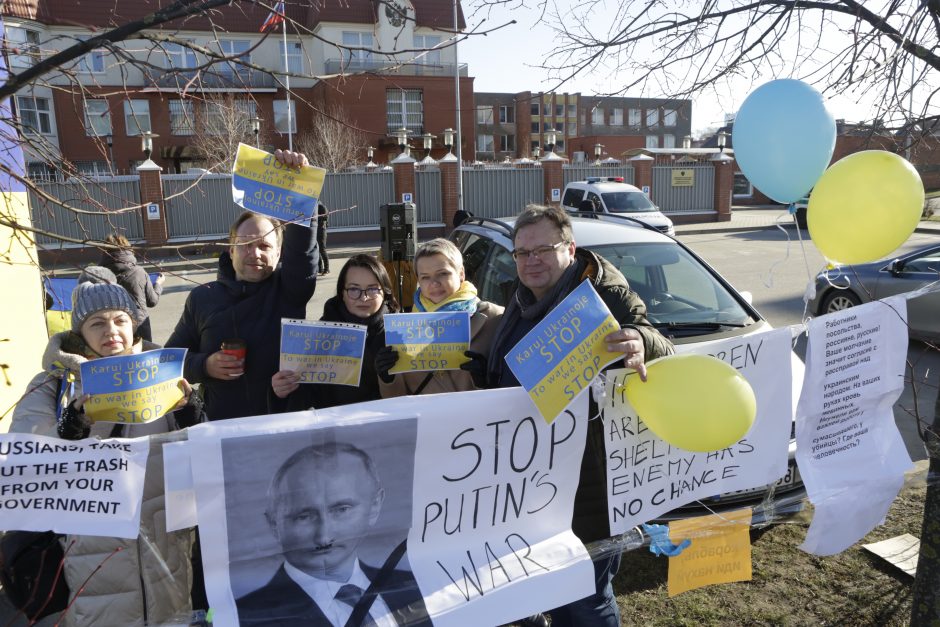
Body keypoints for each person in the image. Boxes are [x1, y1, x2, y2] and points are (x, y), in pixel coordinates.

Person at [485, 205, 674, 627]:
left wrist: (641, 342)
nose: (530, 260)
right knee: (539, 592)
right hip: (529, 480)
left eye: (542, 249)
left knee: (585, 599)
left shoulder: (605, 295)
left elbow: (661, 342)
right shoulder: (516, 299)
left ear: (570, 248)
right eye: (521, 252)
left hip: (588, 482)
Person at [10, 267, 202, 627]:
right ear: (78, 331)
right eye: (97, 323)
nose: (111, 331)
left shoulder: (161, 372)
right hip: (92, 550)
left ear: (133, 324)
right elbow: (31, 465)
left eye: (119, 320)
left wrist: (192, 415)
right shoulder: (53, 384)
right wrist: (74, 427)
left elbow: (198, 456)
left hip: (165, 544)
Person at [166, 150, 318, 421]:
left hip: (283, 421)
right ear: (231, 250)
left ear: (279, 253)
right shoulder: (203, 298)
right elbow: (169, 362)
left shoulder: (290, 291)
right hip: (222, 426)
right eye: (245, 245)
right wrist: (206, 365)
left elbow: (303, 253)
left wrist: (301, 183)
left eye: (264, 246)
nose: (255, 253)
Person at [236, 442, 430, 627]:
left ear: (374, 507)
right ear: (274, 524)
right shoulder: (241, 618)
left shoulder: (420, 587)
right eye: (304, 516)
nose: (324, 537)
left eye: (342, 509)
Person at [374, 238, 503, 396]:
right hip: (428, 419)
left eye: (442, 274)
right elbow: (398, 400)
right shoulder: (404, 329)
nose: (434, 283)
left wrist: (486, 381)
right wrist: (388, 378)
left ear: (461, 273)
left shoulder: (495, 318)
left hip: (476, 419)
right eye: (425, 277)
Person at [271, 254, 399, 410]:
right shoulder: (320, 333)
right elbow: (306, 397)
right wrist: (284, 389)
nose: (364, 298)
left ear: (385, 292)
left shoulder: (398, 333)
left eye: (372, 289)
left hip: (387, 427)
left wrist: (391, 379)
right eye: (354, 289)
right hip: (335, 429)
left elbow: (415, 396)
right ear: (342, 293)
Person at [99, 233, 165, 341]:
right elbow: (152, 301)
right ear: (128, 249)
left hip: (111, 329)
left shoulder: (98, 275)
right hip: (139, 326)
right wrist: (158, 284)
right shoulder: (139, 272)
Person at [317, 202, 330, 275]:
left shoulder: (321, 206)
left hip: (321, 230)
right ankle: (320, 268)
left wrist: (317, 217)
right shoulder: (312, 207)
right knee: (317, 250)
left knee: (322, 249)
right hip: (315, 230)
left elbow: (325, 217)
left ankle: (326, 268)